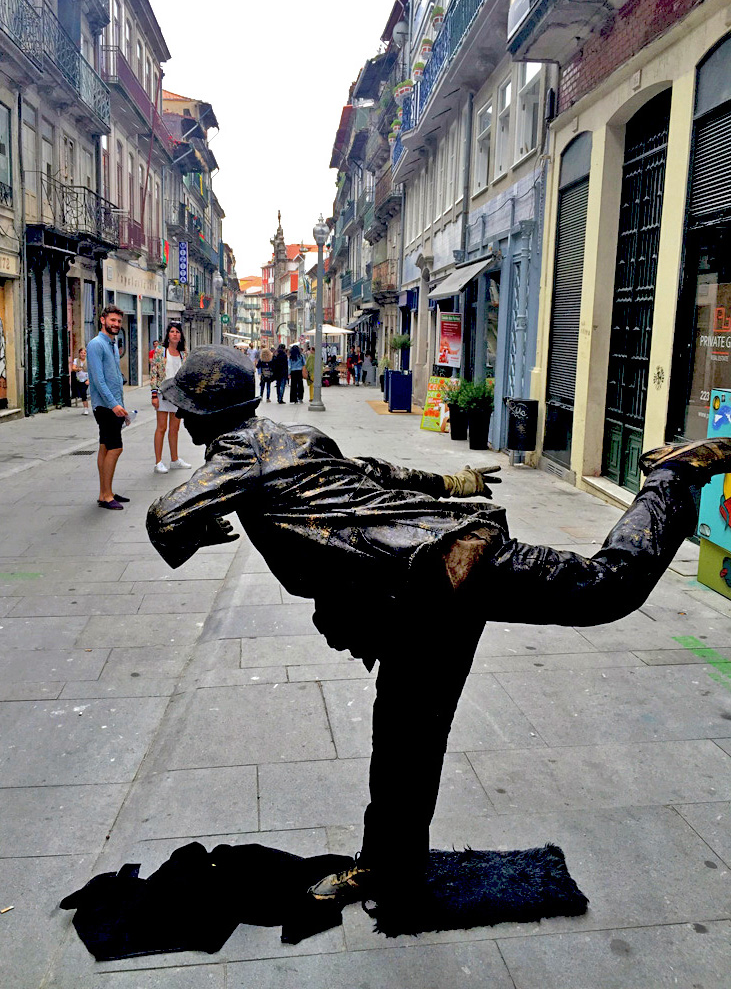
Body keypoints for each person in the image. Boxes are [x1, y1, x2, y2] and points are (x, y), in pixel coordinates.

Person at [146, 346, 731, 914]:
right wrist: (454, 484)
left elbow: (165, 515)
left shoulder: (238, 455)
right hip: (416, 598)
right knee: (404, 734)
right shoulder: (291, 437)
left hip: (451, 568)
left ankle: (671, 476)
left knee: (607, 588)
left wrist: (189, 531)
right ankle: (387, 863)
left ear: (202, 415)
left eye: (184, 409)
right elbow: (374, 472)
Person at [86, 305, 128, 510]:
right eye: (112, 320)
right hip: (105, 406)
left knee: (104, 447)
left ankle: (105, 491)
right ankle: (107, 495)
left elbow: (114, 378)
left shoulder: (112, 343)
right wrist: (114, 405)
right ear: (103, 320)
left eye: (119, 321)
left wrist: (122, 405)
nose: (116, 324)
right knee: (115, 448)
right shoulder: (96, 345)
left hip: (113, 404)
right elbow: (98, 380)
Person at [150, 323, 192, 474]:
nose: (175, 334)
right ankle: (158, 462)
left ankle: (174, 460)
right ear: (168, 334)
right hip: (162, 393)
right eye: (172, 332)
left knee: (175, 429)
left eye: (177, 332)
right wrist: (154, 394)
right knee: (161, 428)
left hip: (178, 395)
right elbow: (154, 372)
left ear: (181, 335)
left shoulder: (183, 353)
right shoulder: (160, 351)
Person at [71, 347, 90, 414]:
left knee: (83, 392)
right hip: (78, 379)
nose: (83, 354)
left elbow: (92, 371)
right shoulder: (76, 360)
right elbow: (73, 368)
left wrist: (89, 380)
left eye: (84, 353)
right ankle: (85, 407)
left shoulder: (89, 361)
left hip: (86, 379)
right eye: (81, 353)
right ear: (79, 354)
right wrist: (77, 369)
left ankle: (86, 409)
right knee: (80, 393)